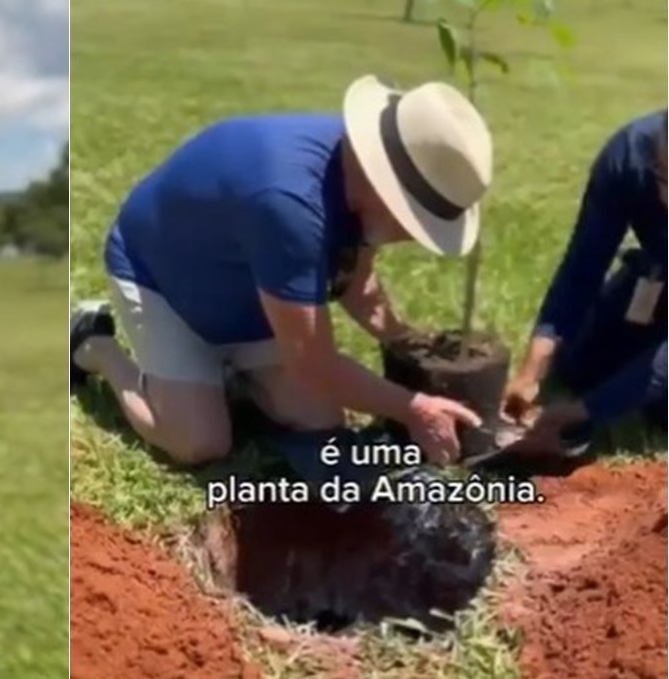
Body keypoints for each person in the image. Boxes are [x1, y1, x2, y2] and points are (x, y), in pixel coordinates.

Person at [71, 75, 491, 475]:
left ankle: (226, 375)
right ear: (386, 188)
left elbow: (356, 284)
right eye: (413, 222)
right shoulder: (290, 205)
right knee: (199, 443)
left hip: (248, 290)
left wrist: (403, 342)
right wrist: (413, 406)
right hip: (161, 278)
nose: (412, 237)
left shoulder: (359, 174)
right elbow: (313, 365)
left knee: (321, 420)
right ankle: (95, 344)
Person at [504, 110, 667, 456]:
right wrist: (533, 368)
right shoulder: (629, 154)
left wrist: (587, 410)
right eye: (664, 179)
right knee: (580, 366)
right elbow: (583, 269)